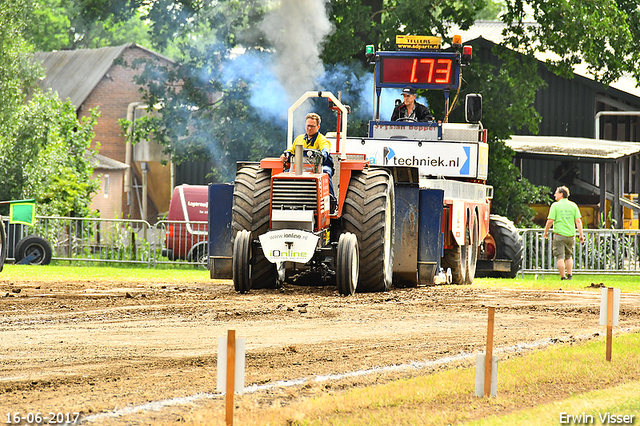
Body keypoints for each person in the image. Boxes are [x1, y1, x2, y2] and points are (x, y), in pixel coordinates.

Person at [280, 112, 336, 209]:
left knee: (326, 173)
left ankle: (331, 200)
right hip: (301, 166)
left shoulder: (322, 139)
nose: (309, 128)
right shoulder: (299, 139)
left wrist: (323, 154)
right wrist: (286, 155)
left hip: (321, 165)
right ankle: (284, 200)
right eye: (308, 126)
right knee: (285, 174)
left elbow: (325, 149)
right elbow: (291, 151)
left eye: (312, 126)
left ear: (318, 127)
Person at [543, 186, 585, 280]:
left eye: (556, 193)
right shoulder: (573, 205)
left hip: (559, 235)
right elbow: (578, 221)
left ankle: (563, 277)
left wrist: (545, 232)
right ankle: (570, 275)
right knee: (569, 256)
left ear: (561, 194)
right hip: (570, 235)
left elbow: (550, 221)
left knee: (560, 257)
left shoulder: (555, 205)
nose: (554, 195)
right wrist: (581, 234)